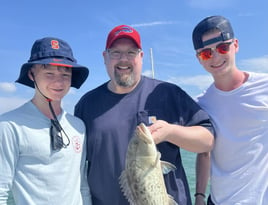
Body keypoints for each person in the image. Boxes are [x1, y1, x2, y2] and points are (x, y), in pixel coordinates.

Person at [75, 25, 215, 205]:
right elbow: (75, 165)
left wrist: (171, 132)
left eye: (131, 52)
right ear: (105, 57)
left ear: (141, 57)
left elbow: (207, 141)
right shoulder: (86, 105)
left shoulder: (168, 93)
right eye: (116, 52)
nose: (123, 59)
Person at [0, 37, 92, 205]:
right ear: (31, 74)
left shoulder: (78, 126)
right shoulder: (8, 125)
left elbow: (82, 185)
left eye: (65, 74)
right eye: (49, 73)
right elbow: (1, 191)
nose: (58, 82)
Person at [192, 15, 268, 205]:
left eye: (222, 47)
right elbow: (204, 152)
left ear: (236, 45)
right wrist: (199, 196)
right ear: (199, 58)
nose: (216, 56)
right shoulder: (200, 103)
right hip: (217, 201)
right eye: (206, 53)